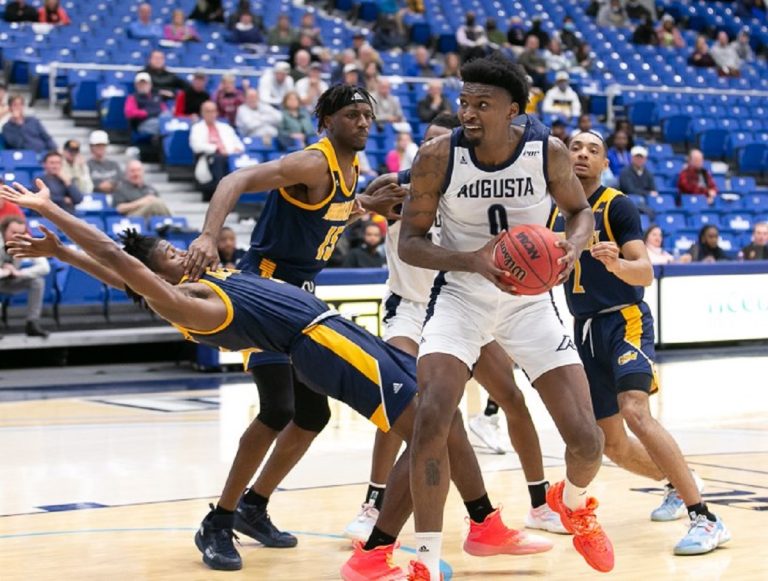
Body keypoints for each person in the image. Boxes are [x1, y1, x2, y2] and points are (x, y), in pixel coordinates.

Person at [3, 179, 550, 577]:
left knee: (443, 417)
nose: (180, 253)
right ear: (157, 279)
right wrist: (55, 214)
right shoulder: (188, 306)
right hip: (322, 343)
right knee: (425, 433)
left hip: (337, 333)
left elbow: (116, 267)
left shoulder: (212, 277)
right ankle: (377, 553)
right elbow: (122, 265)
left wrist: (59, 251)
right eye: (168, 256)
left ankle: (483, 523)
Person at [398, 53, 612, 578]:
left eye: (482, 104)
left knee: (587, 440)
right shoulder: (436, 157)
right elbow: (410, 243)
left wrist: (573, 247)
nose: (468, 113)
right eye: (463, 102)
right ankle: (424, 558)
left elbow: (579, 210)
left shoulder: (547, 152)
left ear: (513, 109)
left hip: (531, 302)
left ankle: (575, 504)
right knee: (432, 415)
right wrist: (473, 259)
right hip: (461, 296)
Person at [182, 86, 407, 571]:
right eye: (352, 114)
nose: (364, 122)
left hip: (300, 300)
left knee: (311, 416)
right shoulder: (312, 162)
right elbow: (236, 178)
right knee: (278, 408)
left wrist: (365, 202)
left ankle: (254, 507)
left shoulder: (350, 173)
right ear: (325, 120)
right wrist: (207, 234)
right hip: (263, 294)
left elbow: (330, 212)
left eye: (368, 115)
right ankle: (218, 521)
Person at [342, 114, 568, 552]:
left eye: (445, 143)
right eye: (429, 143)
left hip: (460, 310)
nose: (437, 151)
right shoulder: (403, 186)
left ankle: (538, 504)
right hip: (411, 311)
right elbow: (348, 211)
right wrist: (365, 206)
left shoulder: (472, 189)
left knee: (513, 398)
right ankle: (373, 504)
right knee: (406, 402)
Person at [551, 130, 731, 556]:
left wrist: (618, 264)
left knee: (635, 409)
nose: (582, 154)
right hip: (585, 331)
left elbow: (645, 272)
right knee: (611, 443)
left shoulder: (617, 205)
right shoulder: (556, 213)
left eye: (593, 150)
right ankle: (677, 481)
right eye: (575, 147)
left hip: (624, 320)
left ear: (604, 163)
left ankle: (705, 517)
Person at [0, 215, 49, 337]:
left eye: (20, 233)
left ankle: (32, 323)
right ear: (3, 230)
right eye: (13, 232)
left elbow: (44, 267)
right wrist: (5, 271)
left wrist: (20, 273)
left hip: (9, 280)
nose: (16, 237)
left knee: (37, 282)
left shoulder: (23, 241)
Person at [190, 101, 245, 196]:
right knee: (218, 159)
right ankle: (221, 194)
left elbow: (239, 144)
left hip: (229, 155)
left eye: (213, 111)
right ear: (202, 113)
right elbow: (196, 146)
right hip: (210, 158)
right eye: (208, 111)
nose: (211, 114)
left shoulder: (225, 127)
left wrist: (234, 150)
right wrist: (216, 148)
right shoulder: (197, 128)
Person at [124, 73, 167, 137]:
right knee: (162, 125)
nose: (143, 86)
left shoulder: (157, 96)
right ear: (136, 85)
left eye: (145, 84)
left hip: (159, 119)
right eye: (140, 84)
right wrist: (146, 112)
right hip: (143, 123)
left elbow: (164, 110)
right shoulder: (133, 97)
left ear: (150, 85)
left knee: (169, 123)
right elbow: (129, 113)